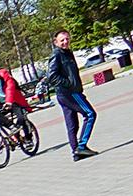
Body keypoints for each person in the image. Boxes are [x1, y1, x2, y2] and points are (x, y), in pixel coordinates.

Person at [47, 29, 99, 160]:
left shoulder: (67, 53)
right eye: (62, 40)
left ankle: (76, 151)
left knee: (72, 123)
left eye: (67, 39)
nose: (65, 42)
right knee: (90, 114)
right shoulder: (57, 55)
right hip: (69, 93)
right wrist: (69, 83)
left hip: (66, 94)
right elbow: (51, 76)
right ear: (56, 42)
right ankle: (81, 146)